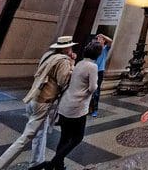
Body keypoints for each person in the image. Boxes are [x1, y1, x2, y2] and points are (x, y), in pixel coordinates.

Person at [0, 36, 76, 170]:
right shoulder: (63, 61)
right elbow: (63, 82)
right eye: (70, 46)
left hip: (33, 98)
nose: (71, 48)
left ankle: (37, 163)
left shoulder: (48, 56)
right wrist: (72, 64)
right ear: (65, 48)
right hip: (43, 102)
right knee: (25, 138)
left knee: (40, 133)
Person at [32, 41, 103, 170]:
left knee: (64, 137)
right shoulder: (92, 66)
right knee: (77, 137)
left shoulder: (80, 63)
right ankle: (52, 164)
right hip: (78, 106)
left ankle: (59, 165)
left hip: (65, 104)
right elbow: (93, 88)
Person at [90, 33, 112, 117]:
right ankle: (88, 108)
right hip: (92, 69)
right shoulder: (93, 48)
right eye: (98, 38)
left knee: (96, 91)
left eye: (101, 39)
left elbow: (110, 41)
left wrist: (103, 35)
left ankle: (95, 109)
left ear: (104, 41)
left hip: (99, 71)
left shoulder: (105, 49)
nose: (99, 40)